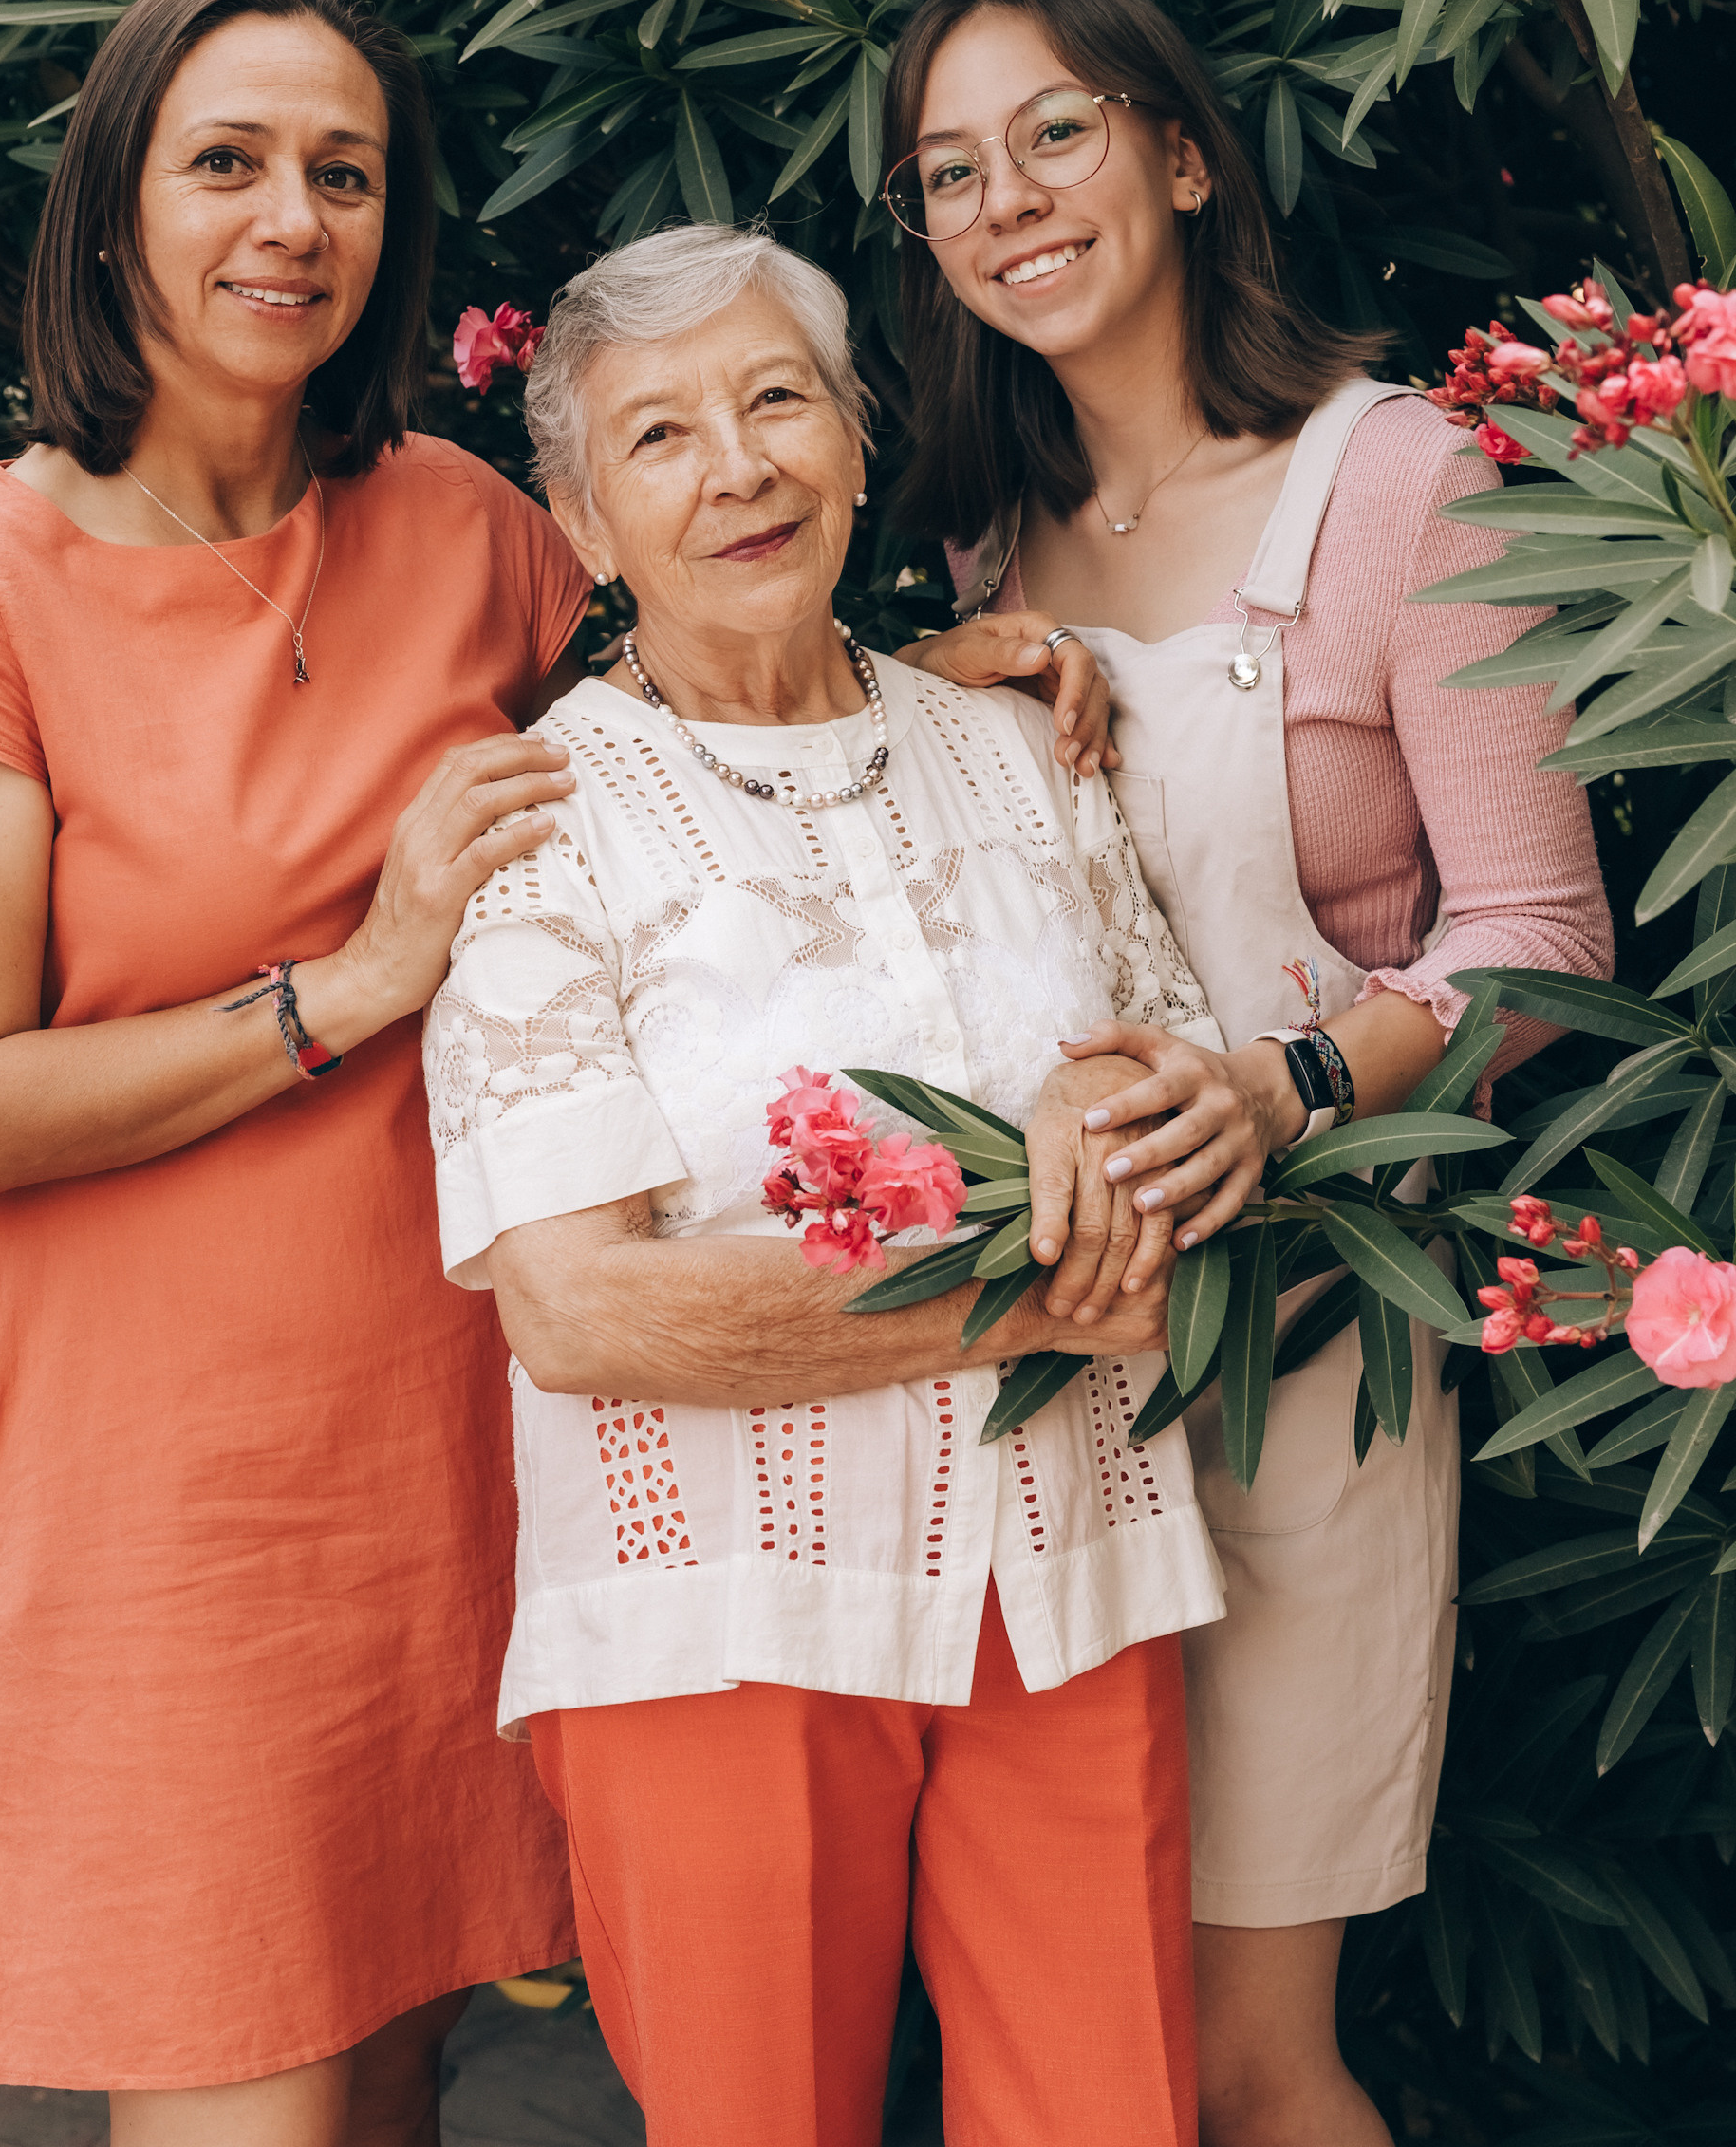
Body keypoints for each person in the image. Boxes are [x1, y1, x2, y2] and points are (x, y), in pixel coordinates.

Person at [0, 0, 604, 2143]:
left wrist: (970, 678)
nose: (289, 221)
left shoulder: (474, 536)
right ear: (115, 209)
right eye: (224, 162)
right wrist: (354, 982)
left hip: (453, 1443)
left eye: (342, 173)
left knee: (403, 2080)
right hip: (177, 1499)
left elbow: (711, 737)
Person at [883, 0, 1613, 2147]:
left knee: (1245, 2060)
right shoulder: (974, 541)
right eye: (945, 173)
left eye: (1052, 133)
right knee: (1074, 2046)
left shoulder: (1395, 485)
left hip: (1311, 1356)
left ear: (1181, 155)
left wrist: (1287, 1091)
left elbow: (1536, 937)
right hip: (1051, 1370)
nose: (1001, 198)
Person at [421, 222, 1229, 2147]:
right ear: (586, 523)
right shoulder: (542, 823)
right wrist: (1024, 1296)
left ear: (859, 439)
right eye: (661, 436)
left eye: (776, 398)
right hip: (717, 1630)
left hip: (1067, 1579)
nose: (740, 466)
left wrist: (1129, 1111)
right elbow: (577, 1309)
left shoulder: (1018, 746)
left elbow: (1176, 1063)